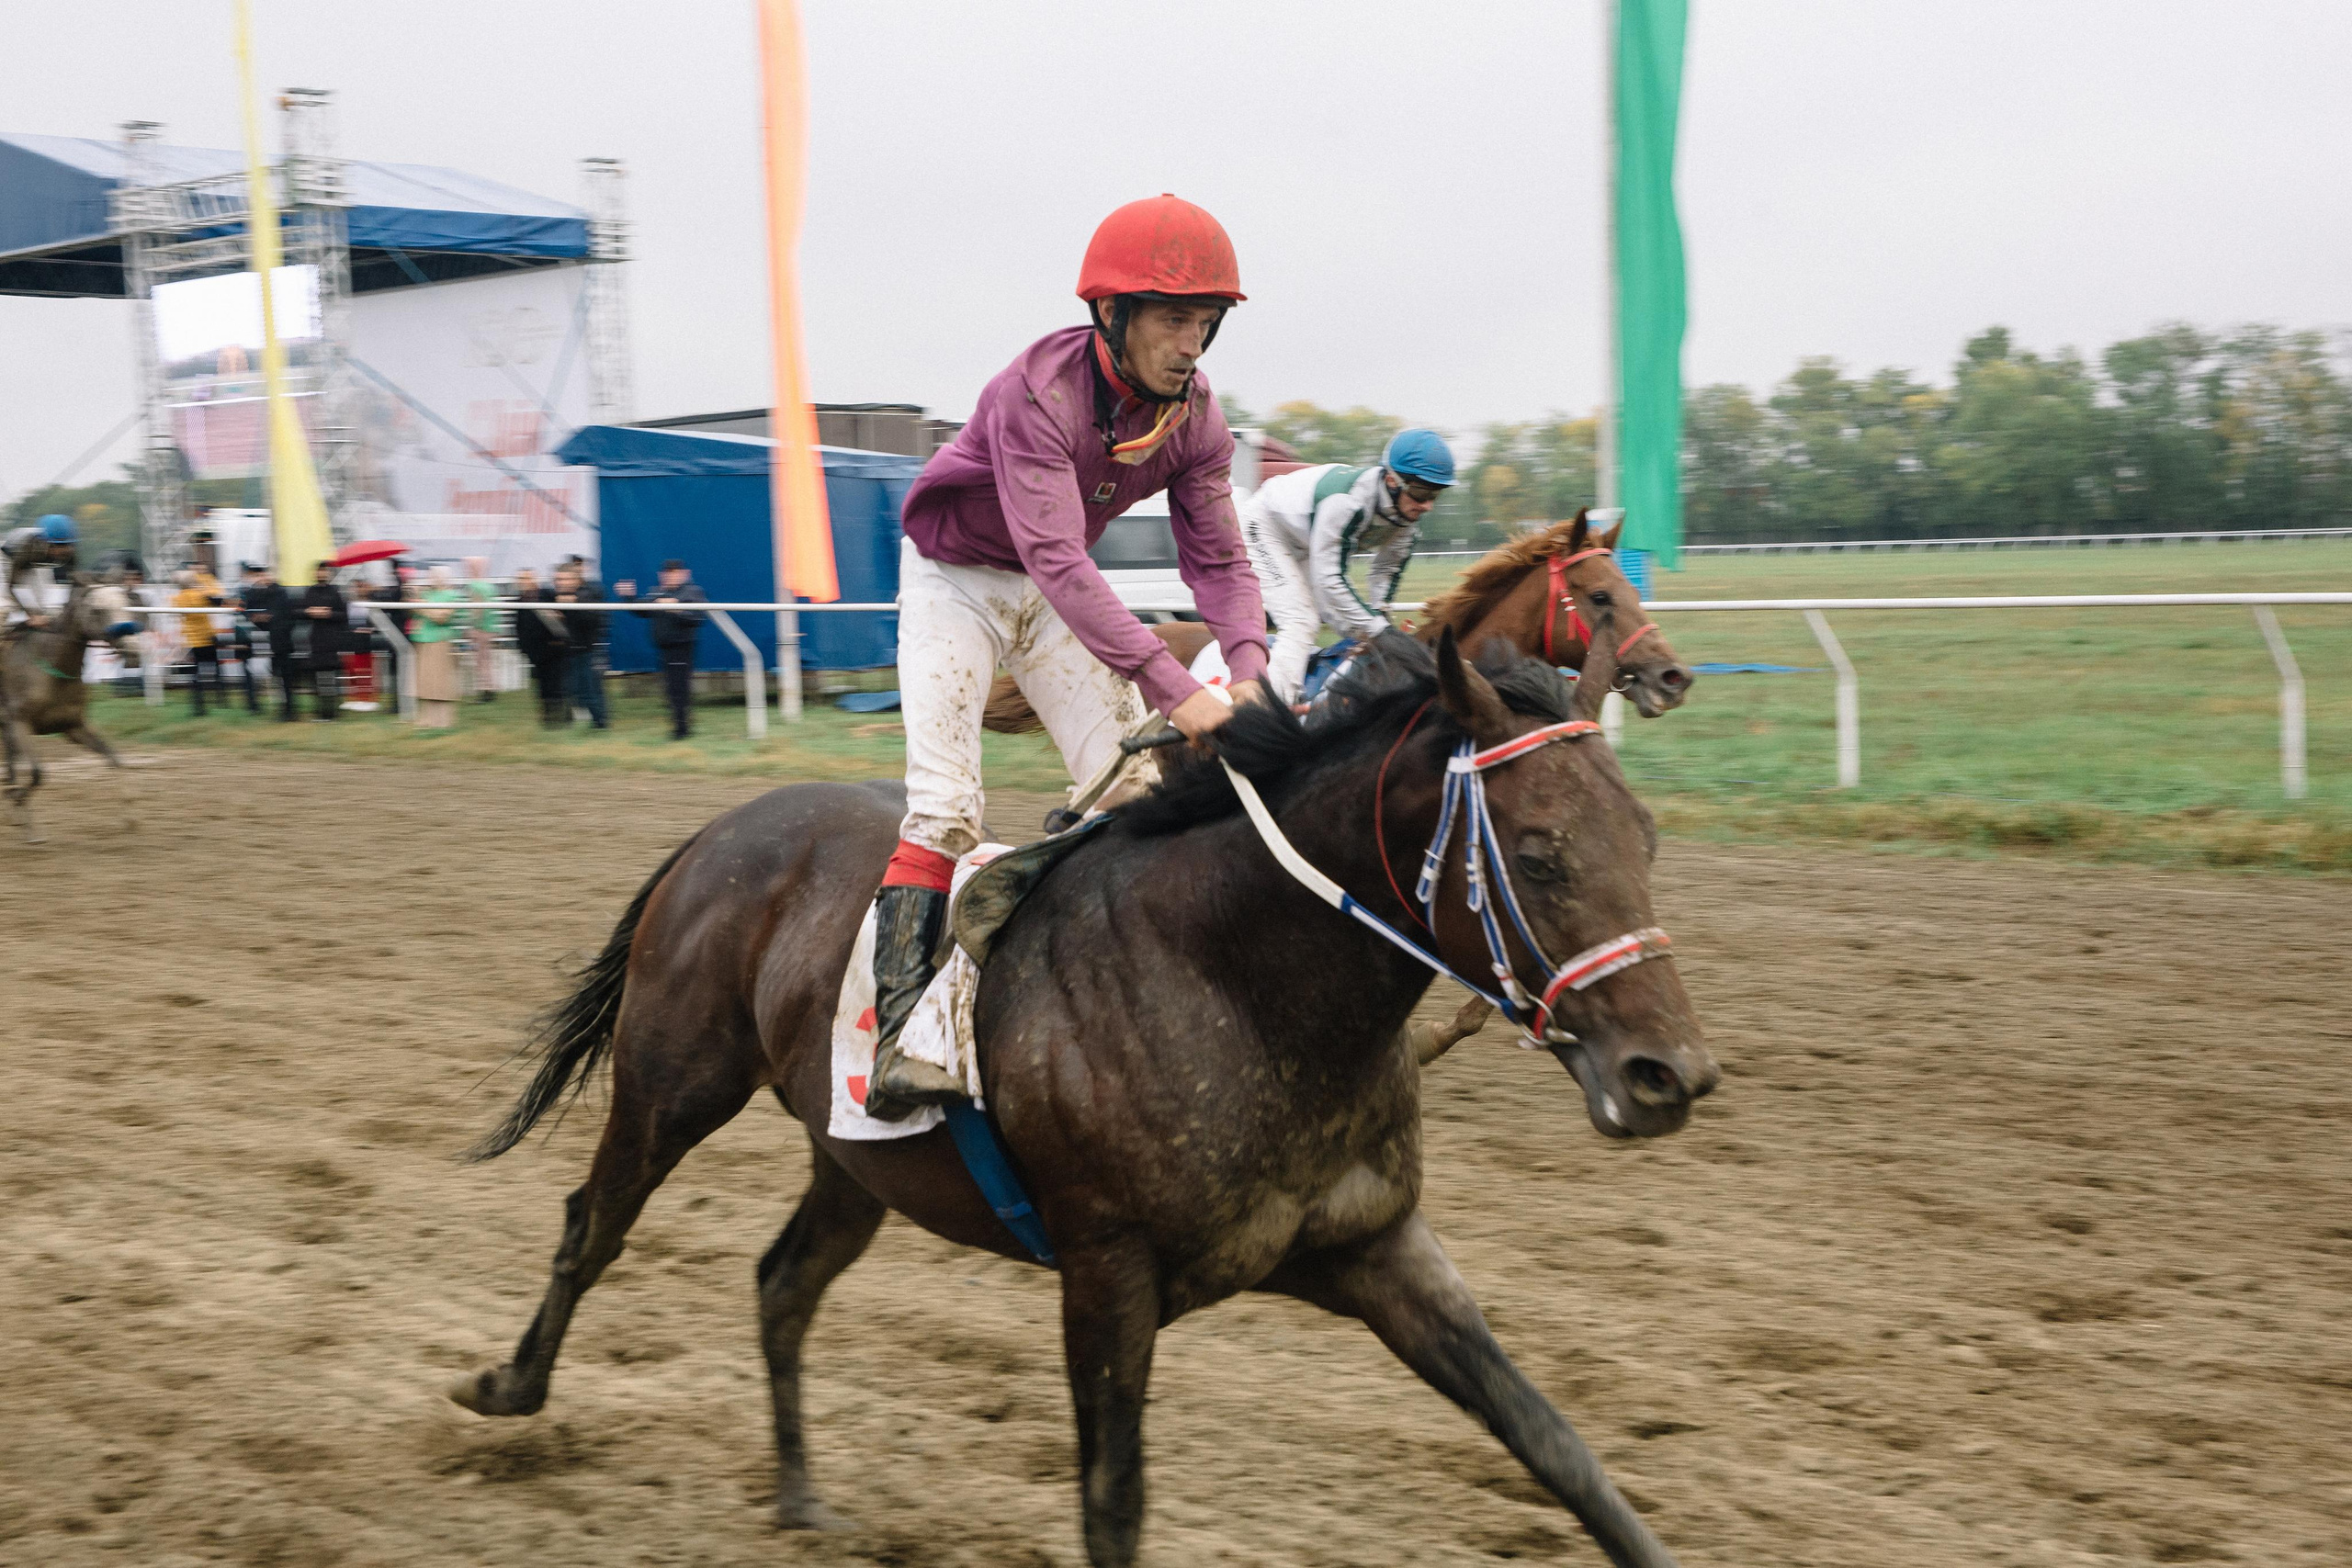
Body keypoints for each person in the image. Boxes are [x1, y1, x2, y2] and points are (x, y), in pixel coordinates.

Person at [862, 193, 1271, 1120]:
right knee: (947, 808)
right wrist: (1175, 689)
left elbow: (1218, 557)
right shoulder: (1035, 393)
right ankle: (900, 1040)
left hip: (1049, 589)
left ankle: (1112, 996)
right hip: (955, 579)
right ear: (1110, 314)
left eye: (1205, 323)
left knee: (1134, 795)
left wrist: (1245, 670)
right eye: (1173, 319)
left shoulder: (1198, 419)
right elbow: (1056, 555)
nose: (1192, 344)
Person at [1238, 427, 1458, 704]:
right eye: (1420, 492)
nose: (1427, 505)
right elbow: (1329, 580)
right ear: (1392, 480)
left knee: (1346, 624)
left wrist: (1380, 624)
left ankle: (1307, 690)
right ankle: (1267, 711)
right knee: (1300, 620)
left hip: (1305, 538)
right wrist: (1378, 631)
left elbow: (1384, 573)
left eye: (1435, 494)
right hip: (1265, 525)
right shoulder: (1347, 503)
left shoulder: (1406, 522)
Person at [616, 558, 709, 740]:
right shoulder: (657, 591)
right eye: (667, 573)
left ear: (685, 574)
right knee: (671, 690)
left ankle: (682, 730)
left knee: (679, 689)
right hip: (664, 648)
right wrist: (629, 597)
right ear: (661, 575)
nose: (670, 577)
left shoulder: (693, 591)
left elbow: (698, 619)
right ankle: (680, 726)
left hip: (682, 647)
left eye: (674, 573)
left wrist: (677, 609)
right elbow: (643, 611)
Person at [550, 561, 608, 728]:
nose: (560, 582)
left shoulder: (585, 594)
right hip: (573, 649)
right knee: (575, 689)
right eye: (558, 579)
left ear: (576, 579)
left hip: (589, 649)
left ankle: (600, 722)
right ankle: (593, 720)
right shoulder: (560, 598)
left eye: (565, 579)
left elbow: (591, 618)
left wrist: (573, 603)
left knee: (590, 689)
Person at [411, 566, 468, 729]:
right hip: (423, 640)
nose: (430, 578)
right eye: (430, 575)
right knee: (426, 683)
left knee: (441, 683)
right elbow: (415, 613)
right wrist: (414, 597)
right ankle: (427, 718)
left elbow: (442, 617)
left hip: (441, 641)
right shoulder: (427, 594)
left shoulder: (453, 595)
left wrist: (422, 606)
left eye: (434, 576)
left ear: (443, 578)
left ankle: (443, 720)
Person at [510, 567, 568, 725]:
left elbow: (562, 616)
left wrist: (560, 640)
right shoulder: (520, 601)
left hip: (554, 647)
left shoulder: (547, 594)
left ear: (534, 579)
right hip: (535, 650)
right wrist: (523, 647)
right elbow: (518, 626)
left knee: (556, 682)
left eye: (526, 578)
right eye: (521, 579)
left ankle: (561, 715)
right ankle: (547, 715)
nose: (523, 582)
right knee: (541, 683)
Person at [169, 566, 228, 716]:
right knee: (216, 670)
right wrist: (203, 584)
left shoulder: (177, 598)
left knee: (196, 674)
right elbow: (218, 598)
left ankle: (199, 705)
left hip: (191, 639)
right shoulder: (200, 595)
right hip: (207, 637)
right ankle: (221, 699)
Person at [4, 513, 77, 632]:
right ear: (42, 541)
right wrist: (31, 615)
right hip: (9, 558)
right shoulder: (27, 548)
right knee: (7, 604)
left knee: (43, 605)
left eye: (65, 545)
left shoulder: (70, 553)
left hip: (36, 563)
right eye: (55, 546)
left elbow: (76, 583)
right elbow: (12, 586)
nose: (61, 551)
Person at [293, 562, 345, 720]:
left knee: (331, 675)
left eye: (324, 571)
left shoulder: (335, 592)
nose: (322, 574)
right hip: (316, 638)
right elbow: (297, 611)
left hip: (332, 638)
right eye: (319, 571)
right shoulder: (310, 591)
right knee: (318, 675)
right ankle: (321, 711)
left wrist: (328, 614)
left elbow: (343, 615)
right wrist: (309, 612)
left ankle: (333, 711)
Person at [229, 564, 269, 712]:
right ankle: (253, 704)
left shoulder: (247, 590)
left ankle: (254, 702)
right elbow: (240, 614)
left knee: (252, 671)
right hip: (244, 636)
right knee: (248, 671)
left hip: (249, 635)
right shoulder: (242, 590)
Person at [464, 556, 501, 703]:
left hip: (481, 628)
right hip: (490, 627)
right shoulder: (489, 586)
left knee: (481, 661)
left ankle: (486, 691)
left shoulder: (475, 586)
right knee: (487, 659)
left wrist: (473, 626)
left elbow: (477, 609)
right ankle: (489, 689)